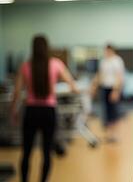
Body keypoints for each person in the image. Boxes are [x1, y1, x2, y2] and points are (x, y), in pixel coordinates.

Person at [10, 35, 78, 182]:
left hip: (31, 111)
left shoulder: (26, 65)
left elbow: (16, 92)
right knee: (47, 152)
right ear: (47, 48)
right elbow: (72, 85)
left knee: (26, 152)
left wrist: (13, 111)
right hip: (48, 112)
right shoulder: (56, 64)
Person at [90, 44, 125, 142]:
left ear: (111, 50)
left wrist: (116, 91)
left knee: (114, 112)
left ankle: (115, 134)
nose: (106, 52)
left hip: (113, 88)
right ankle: (109, 134)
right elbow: (99, 74)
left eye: (107, 50)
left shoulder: (117, 60)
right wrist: (93, 86)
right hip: (105, 88)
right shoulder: (104, 61)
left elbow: (120, 76)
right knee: (107, 112)